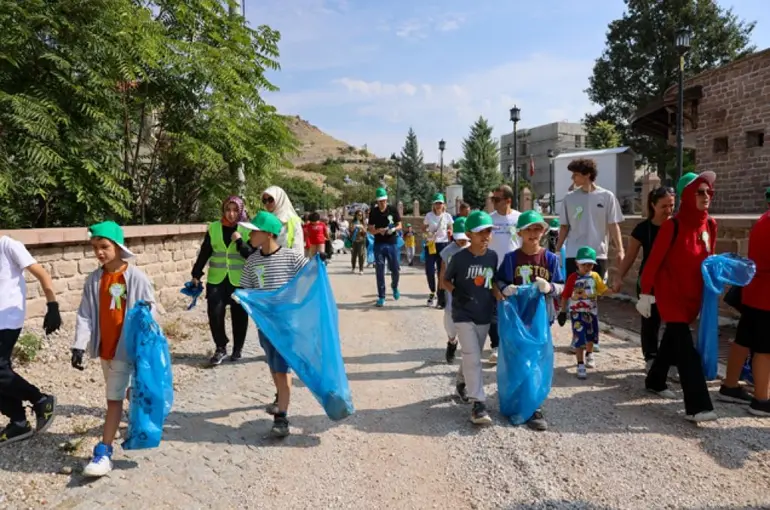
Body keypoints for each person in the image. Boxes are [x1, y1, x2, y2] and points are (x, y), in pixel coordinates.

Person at [72, 221, 156, 477]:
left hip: (127, 351)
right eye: (95, 247)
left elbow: (150, 311)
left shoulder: (137, 278)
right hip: (106, 351)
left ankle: (104, 451)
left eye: (104, 246)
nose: (99, 252)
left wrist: (145, 336)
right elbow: (85, 314)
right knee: (124, 391)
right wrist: (78, 345)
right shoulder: (94, 280)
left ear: (118, 247)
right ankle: (145, 417)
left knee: (113, 401)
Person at [637, 171, 718, 423]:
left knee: (672, 340)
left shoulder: (710, 225)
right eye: (700, 192)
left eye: (708, 192)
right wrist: (645, 294)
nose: (706, 196)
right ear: (686, 196)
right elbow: (652, 263)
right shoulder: (673, 226)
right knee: (686, 349)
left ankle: (655, 380)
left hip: (692, 296)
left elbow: (709, 261)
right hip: (670, 295)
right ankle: (698, 405)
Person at [239, 211, 307, 437]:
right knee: (273, 365)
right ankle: (280, 399)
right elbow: (247, 289)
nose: (249, 234)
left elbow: (310, 277)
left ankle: (282, 418)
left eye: (254, 231)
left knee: (282, 369)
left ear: (268, 234)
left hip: (286, 325)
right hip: (264, 326)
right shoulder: (252, 261)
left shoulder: (291, 258)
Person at [495, 210, 564, 430]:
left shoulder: (551, 259)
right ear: (520, 232)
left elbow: (562, 286)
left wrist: (550, 287)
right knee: (516, 362)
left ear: (543, 232)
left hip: (540, 320)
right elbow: (499, 282)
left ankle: (534, 407)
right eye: (529, 229)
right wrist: (506, 288)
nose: (533, 233)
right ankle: (516, 402)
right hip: (517, 320)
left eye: (538, 228)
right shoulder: (511, 259)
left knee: (536, 363)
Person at [0, 236, 61, 447]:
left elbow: (41, 273)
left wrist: (52, 305)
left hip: (7, 319)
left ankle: (40, 400)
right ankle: (18, 421)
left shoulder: (9, 245)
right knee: (2, 369)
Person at [443, 211, 501, 425]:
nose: (486, 236)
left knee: (472, 355)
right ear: (469, 234)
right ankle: (478, 404)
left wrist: (502, 296)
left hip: (484, 314)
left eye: (488, 231)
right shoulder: (459, 258)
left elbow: (493, 282)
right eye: (480, 232)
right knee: (472, 356)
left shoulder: (492, 257)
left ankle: (461, 381)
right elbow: (445, 281)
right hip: (463, 314)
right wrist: (457, 293)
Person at [719, 187, 770, 416]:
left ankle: (729, 386)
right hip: (766, 296)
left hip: (753, 291)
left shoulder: (763, 221)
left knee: (744, 340)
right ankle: (761, 400)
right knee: (764, 349)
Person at [614, 187, 675, 371]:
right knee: (650, 320)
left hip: (672, 281)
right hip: (649, 282)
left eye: (671, 205)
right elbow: (630, 256)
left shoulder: (677, 226)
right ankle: (651, 356)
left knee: (675, 321)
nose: (668, 210)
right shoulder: (643, 229)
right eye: (664, 206)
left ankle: (670, 357)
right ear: (653, 205)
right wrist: (619, 276)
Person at [191, 196, 253, 366]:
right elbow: (205, 252)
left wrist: (239, 240)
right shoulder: (214, 228)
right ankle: (220, 347)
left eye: (235, 210)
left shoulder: (247, 229)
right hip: (216, 279)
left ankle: (238, 349)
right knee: (214, 313)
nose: (231, 214)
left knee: (239, 315)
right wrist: (196, 273)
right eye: (228, 210)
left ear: (240, 211)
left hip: (239, 280)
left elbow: (250, 254)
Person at [555, 158, 625, 279]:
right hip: (574, 254)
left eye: (575, 174)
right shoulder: (569, 198)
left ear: (587, 174)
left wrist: (620, 250)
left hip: (598, 254)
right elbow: (564, 227)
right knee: (575, 294)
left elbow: (613, 225)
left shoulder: (607, 196)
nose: (572, 178)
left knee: (595, 293)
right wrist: (557, 251)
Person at [558, 246, 613, 379]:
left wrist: (614, 289)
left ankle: (589, 354)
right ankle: (580, 364)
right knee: (579, 338)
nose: (587, 267)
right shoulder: (572, 278)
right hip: (577, 314)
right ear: (577, 263)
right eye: (584, 264)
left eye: (590, 264)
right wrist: (563, 311)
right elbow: (565, 295)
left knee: (591, 336)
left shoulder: (595, 277)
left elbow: (603, 290)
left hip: (591, 313)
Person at [487, 184, 521, 364]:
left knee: (514, 310)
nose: (493, 202)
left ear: (508, 200)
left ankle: (513, 345)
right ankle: (496, 347)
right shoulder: (489, 220)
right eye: (492, 199)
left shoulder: (520, 218)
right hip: (493, 271)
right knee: (494, 311)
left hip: (514, 271)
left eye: (497, 199)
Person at [438, 217, 469, 364]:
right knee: (450, 323)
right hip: (451, 291)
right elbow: (442, 271)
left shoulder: (473, 249)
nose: (462, 241)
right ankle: (452, 341)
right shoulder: (448, 251)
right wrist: (440, 291)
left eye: (465, 238)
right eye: (459, 239)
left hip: (469, 292)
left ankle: (469, 352)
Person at [368, 188, 402, 307]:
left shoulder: (392, 210)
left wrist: (393, 229)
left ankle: (394, 286)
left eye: (384, 201)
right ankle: (381, 296)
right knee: (379, 270)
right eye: (381, 201)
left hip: (392, 243)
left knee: (395, 269)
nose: (383, 203)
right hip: (379, 244)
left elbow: (399, 225)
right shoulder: (374, 212)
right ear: (377, 202)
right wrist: (379, 231)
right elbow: (370, 229)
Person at [423, 193, 454, 308]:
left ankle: (441, 299)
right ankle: (432, 291)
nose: (438, 205)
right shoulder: (429, 216)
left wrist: (450, 232)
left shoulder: (447, 216)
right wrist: (428, 233)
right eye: (436, 203)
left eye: (440, 203)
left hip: (443, 245)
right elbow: (423, 228)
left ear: (443, 204)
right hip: (431, 244)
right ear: (433, 204)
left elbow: (451, 228)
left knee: (442, 272)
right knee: (429, 270)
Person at [261, 186, 305, 252]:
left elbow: (298, 248)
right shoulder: (266, 220)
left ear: (279, 199)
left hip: (287, 260)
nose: (267, 203)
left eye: (270, 200)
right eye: (264, 200)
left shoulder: (292, 220)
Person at [349, 210, 367, 274]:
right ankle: (353, 267)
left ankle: (361, 269)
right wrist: (354, 227)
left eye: (361, 215)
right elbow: (350, 230)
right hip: (354, 241)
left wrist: (362, 228)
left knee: (361, 255)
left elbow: (365, 233)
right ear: (356, 215)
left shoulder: (363, 223)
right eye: (359, 215)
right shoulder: (352, 222)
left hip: (361, 241)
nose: (360, 216)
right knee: (353, 255)